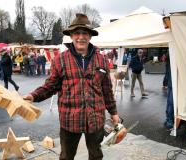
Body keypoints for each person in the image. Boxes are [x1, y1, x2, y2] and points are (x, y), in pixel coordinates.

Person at [24, 13, 122, 160]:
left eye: (85, 33)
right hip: (70, 120)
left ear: (90, 36)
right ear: (71, 36)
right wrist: (33, 95)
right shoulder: (60, 60)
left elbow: (107, 90)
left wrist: (114, 113)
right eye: (77, 33)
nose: (81, 37)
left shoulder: (101, 60)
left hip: (95, 119)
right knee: (66, 156)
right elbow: (50, 86)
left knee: (96, 155)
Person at [164, 55, 174, 130]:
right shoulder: (172, 61)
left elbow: (167, 73)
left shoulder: (169, 61)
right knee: (170, 103)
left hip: (170, 84)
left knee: (169, 103)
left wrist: (165, 82)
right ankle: (169, 122)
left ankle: (168, 120)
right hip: (173, 84)